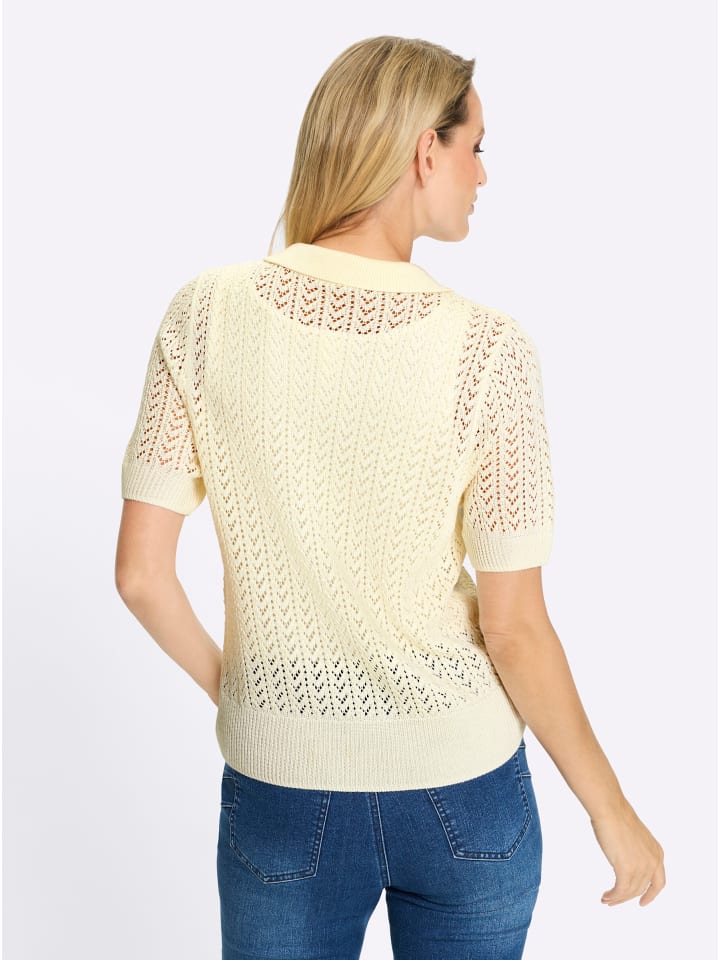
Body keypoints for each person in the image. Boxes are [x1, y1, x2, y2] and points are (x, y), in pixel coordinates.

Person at [115, 34, 665, 960]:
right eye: (476, 147)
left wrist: (245, 698)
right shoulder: (487, 351)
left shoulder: (204, 314)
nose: (484, 174)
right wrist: (612, 811)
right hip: (465, 792)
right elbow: (516, 630)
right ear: (424, 152)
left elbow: (140, 576)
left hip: (279, 795)